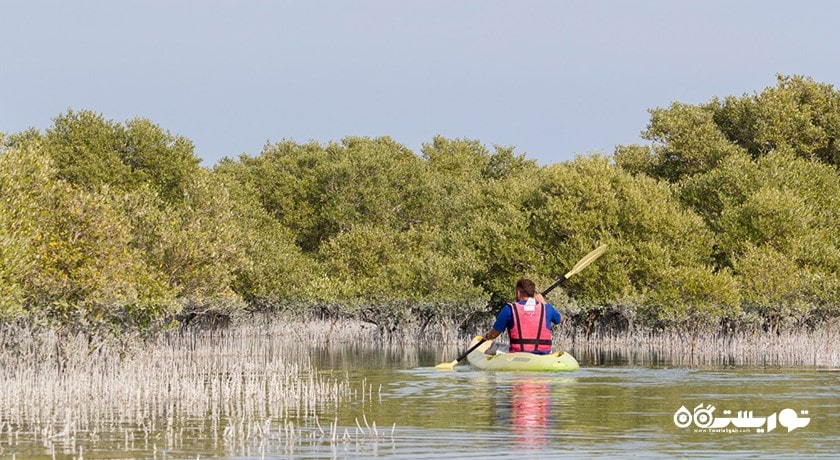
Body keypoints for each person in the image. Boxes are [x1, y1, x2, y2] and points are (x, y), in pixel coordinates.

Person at [480, 278, 562, 354]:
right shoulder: (547, 308)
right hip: (544, 354)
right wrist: (544, 302)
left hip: (518, 354)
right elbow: (559, 319)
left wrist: (487, 336)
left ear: (518, 293)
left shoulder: (509, 309)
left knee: (492, 347)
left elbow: (494, 334)